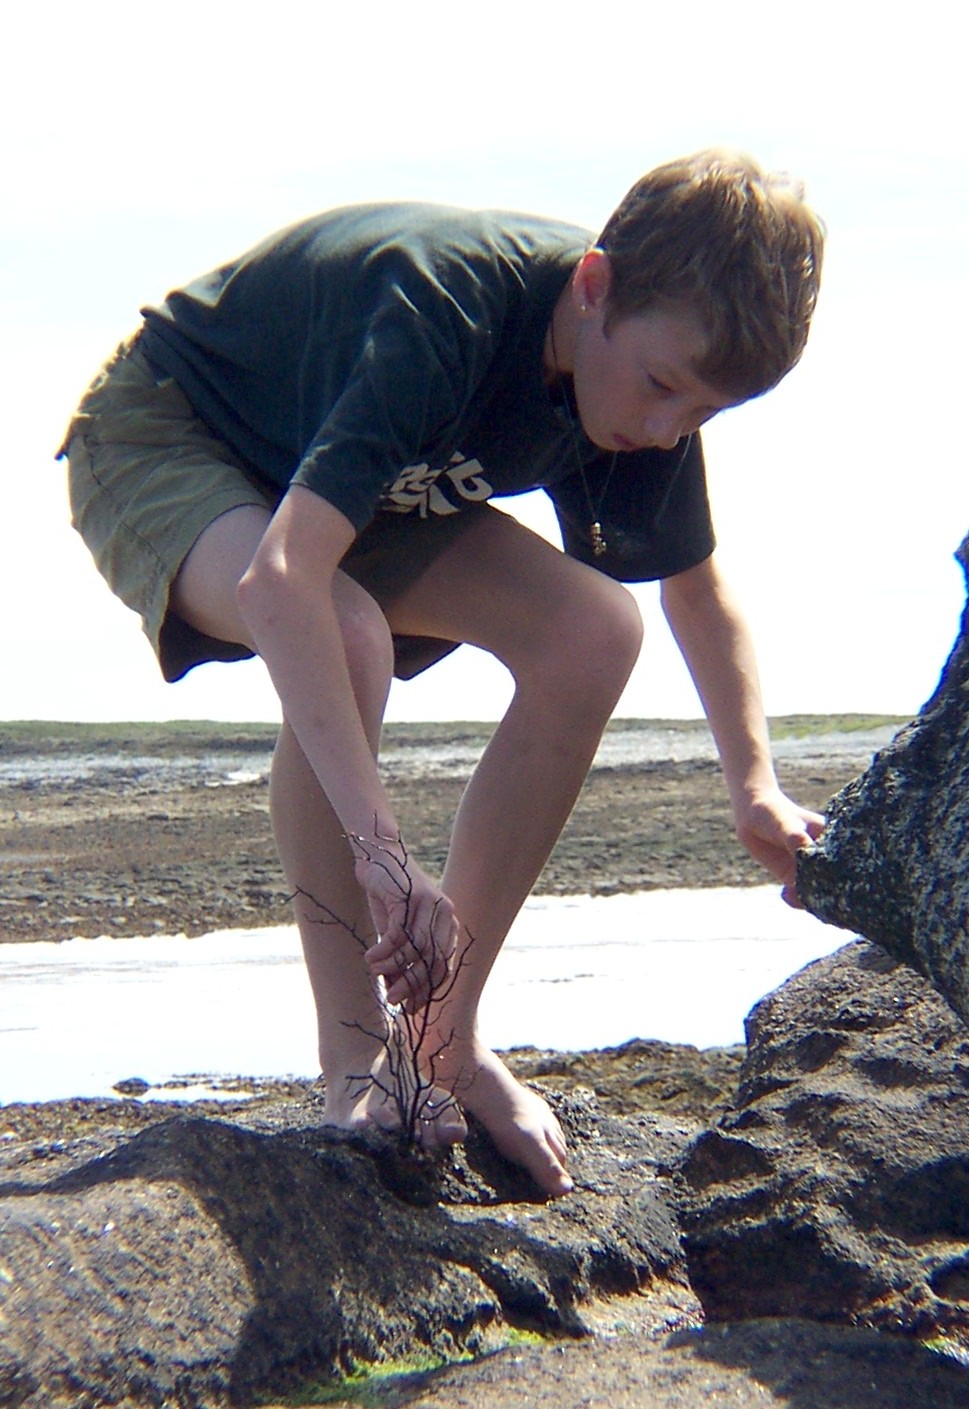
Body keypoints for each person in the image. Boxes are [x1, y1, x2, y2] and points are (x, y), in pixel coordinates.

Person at [59, 149, 826, 1198]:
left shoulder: (646, 381)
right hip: (174, 431)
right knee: (347, 631)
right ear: (594, 286)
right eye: (660, 389)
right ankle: (351, 1064)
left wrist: (755, 784)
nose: (664, 430)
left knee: (595, 627)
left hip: (354, 487)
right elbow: (286, 580)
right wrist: (382, 851)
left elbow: (694, 588)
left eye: (701, 414)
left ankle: (440, 1041)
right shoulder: (448, 310)